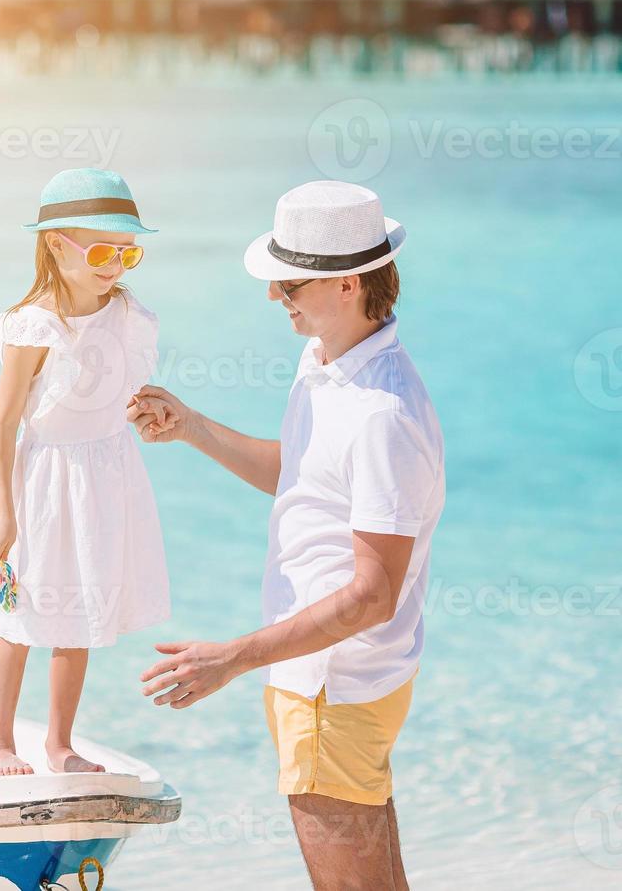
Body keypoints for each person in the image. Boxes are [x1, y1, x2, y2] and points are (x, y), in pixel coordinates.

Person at [132, 181, 445, 890]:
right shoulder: (328, 363)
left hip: (334, 686)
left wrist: (234, 657)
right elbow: (305, 476)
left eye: (290, 282)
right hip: (327, 680)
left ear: (348, 283)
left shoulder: (382, 414)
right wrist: (194, 428)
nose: (276, 297)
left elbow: (372, 596)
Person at [0, 167, 175, 777]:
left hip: (106, 477)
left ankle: (60, 743)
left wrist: (149, 410)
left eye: (127, 252)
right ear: (54, 244)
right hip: (42, 482)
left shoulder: (130, 315)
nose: (113, 263)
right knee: (20, 617)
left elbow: (122, 388)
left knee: (80, 617)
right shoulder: (33, 324)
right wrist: (2, 510)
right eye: (99, 249)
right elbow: (4, 423)